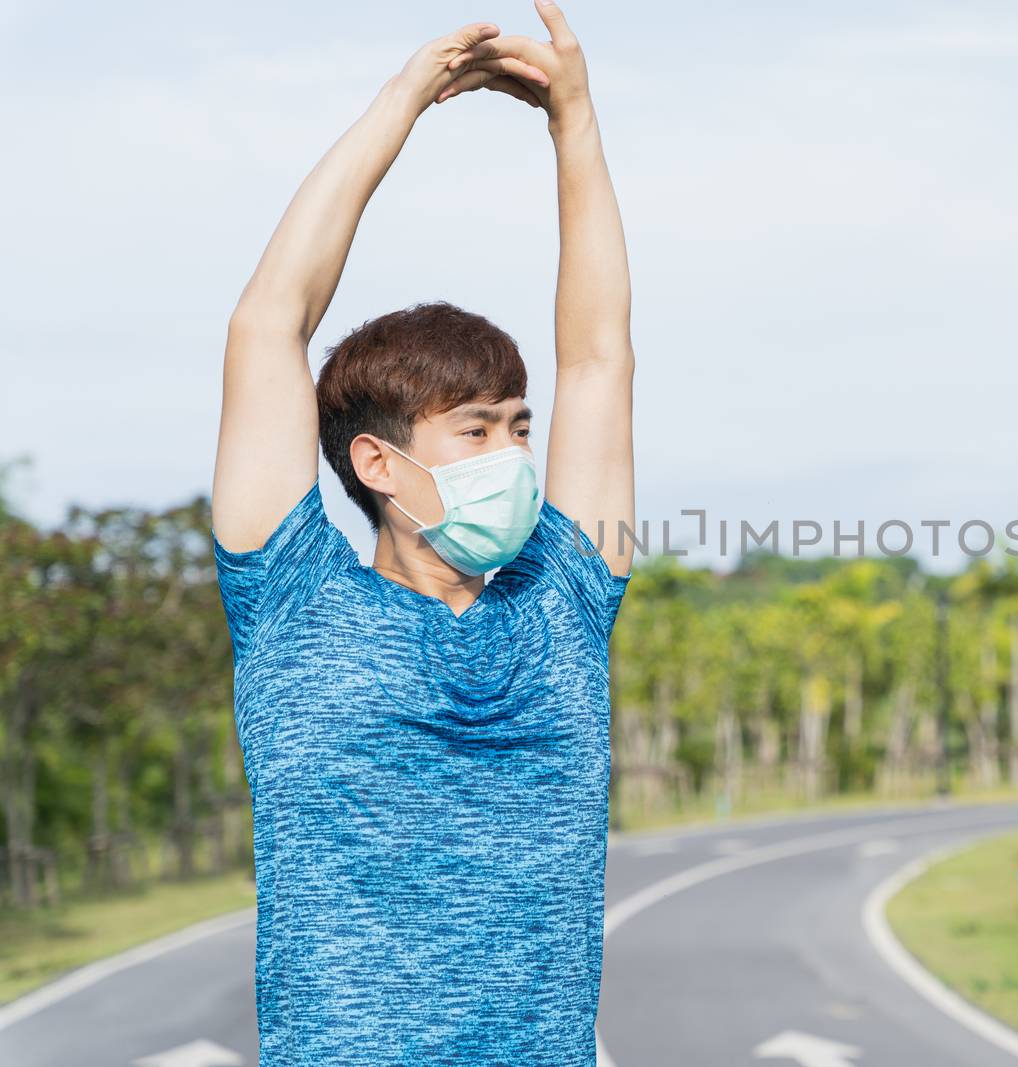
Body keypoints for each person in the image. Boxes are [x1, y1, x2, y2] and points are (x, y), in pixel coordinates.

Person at [208, 6, 635, 1063]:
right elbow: (270, 321)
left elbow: (597, 357)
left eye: (520, 427)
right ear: (377, 464)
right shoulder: (294, 596)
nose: (515, 454)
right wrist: (404, 100)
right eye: (477, 429)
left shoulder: (565, 599)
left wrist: (573, 122)